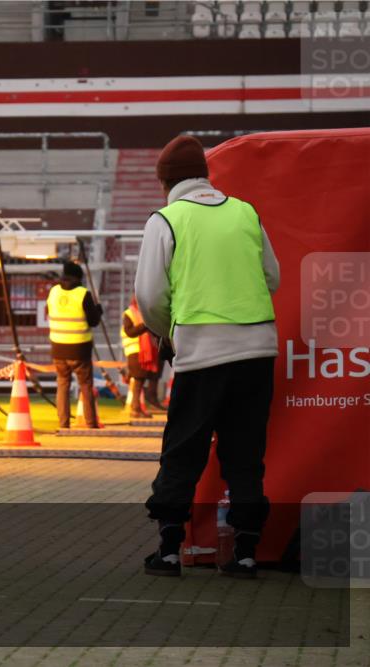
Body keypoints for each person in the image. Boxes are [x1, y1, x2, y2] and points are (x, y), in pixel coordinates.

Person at [136, 135, 279, 579]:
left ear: (165, 181)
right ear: (205, 175)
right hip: (257, 351)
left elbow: (150, 296)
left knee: (183, 450)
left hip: (201, 353)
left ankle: (170, 550)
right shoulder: (246, 212)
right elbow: (271, 278)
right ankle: (246, 553)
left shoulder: (166, 219)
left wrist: (169, 334)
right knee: (245, 451)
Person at [47, 261, 103, 430]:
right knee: (85, 386)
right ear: (79, 277)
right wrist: (98, 310)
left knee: (62, 384)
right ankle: (91, 424)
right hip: (80, 349)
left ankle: (63, 424)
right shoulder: (83, 294)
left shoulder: (53, 291)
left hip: (58, 347)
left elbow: (49, 311)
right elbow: (93, 322)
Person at [120, 296, 154, 420]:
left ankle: (137, 407)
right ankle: (135, 408)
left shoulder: (141, 313)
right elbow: (130, 332)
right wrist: (144, 325)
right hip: (135, 351)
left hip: (141, 351)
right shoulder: (130, 313)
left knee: (140, 380)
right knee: (138, 380)